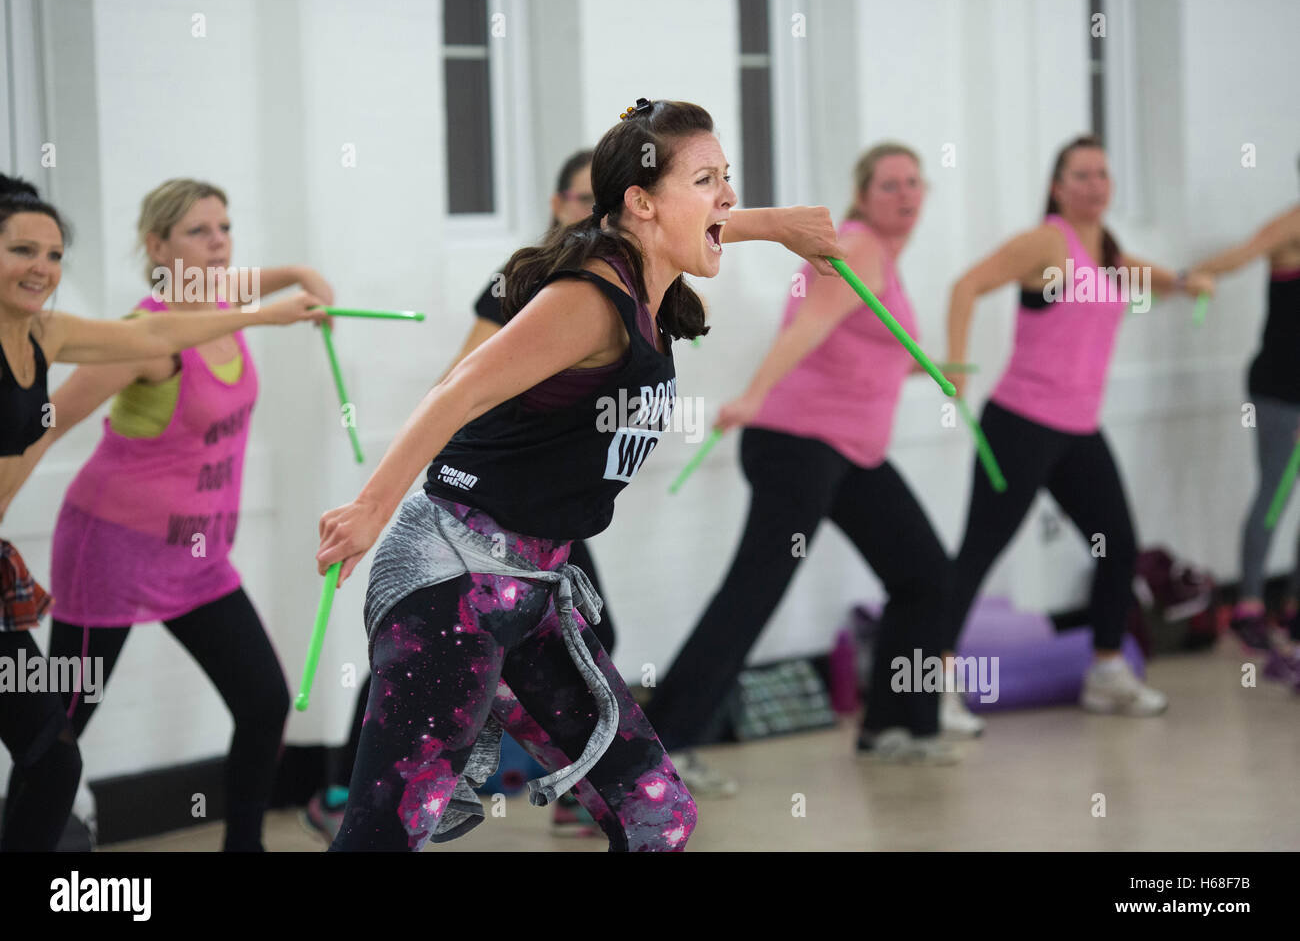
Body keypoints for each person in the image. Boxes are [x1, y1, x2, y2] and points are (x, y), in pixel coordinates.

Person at [315, 97, 843, 851]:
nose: (727, 197)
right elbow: (456, 390)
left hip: (534, 587)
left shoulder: (648, 282)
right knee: (380, 839)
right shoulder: (588, 302)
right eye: (707, 180)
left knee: (657, 814)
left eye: (729, 179)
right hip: (452, 578)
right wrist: (370, 508)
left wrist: (778, 223)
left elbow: (690, 221)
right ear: (641, 201)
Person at [302, 149, 624, 840]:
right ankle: (345, 787)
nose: (585, 214)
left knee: (562, 640)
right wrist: (390, 491)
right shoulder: (530, 281)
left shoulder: (614, 290)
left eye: (597, 203)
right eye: (574, 199)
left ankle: (566, 788)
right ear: (553, 205)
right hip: (482, 506)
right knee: (423, 654)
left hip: (538, 516)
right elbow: (463, 379)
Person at [0, 174, 322, 851]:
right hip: (110, 552)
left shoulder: (222, 304)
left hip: (198, 560)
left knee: (264, 703)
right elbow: (46, 424)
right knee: (56, 735)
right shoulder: (147, 336)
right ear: (157, 244)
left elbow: (235, 293)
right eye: (198, 232)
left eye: (225, 228)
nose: (218, 243)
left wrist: (296, 273)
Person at [643, 142, 958, 772]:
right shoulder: (861, 247)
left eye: (914, 183)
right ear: (863, 195)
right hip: (798, 444)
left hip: (847, 451)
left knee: (927, 577)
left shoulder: (879, 257)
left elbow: (862, 353)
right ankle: (661, 749)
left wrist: (934, 372)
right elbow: (808, 327)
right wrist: (754, 396)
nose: (905, 195)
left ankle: (895, 726)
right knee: (753, 593)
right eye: (889, 184)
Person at [941, 135, 1214, 722]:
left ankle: (1106, 671)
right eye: (1081, 176)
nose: (1094, 185)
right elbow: (966, 286)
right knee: (979, 553)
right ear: (1058, 187)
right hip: (1019, 423)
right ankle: (934, 685)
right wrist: (956, 366)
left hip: (1077, 430)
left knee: (1116, 545)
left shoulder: (1109, 253)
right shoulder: (1048, 241)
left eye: (1102, 175)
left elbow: (1147, 276)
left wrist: (1189, 282)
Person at [1190, 169, 1300, 683]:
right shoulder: (1292, 225)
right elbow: (1240, 255)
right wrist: (1196, 274)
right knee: (1274, 495)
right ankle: (1249, 608)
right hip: (1279, 390)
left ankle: (1293, 607)